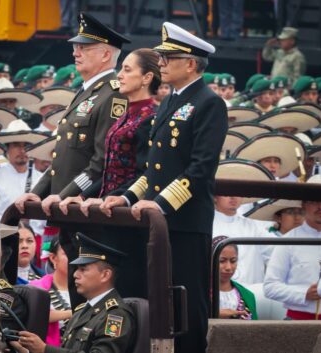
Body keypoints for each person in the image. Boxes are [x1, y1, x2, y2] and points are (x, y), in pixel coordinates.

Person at [99, 22, 228, 353]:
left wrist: (162, 204)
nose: (162, 64)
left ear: (190, 63)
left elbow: (199, 170)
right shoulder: (170, 101)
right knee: (156, 298)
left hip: (185, 221)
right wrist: (127, 196)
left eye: (169, 57)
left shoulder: (208, 103)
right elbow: (154, 169)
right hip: (159, 219)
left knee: (187, 303)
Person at [15, 11, 130, 215]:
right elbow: (64, 157)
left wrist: (66, 195)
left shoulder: (113, 94)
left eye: (84, 48)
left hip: (86, 208)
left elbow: (102, 161)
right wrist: (37, 192)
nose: (75, 53)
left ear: (105, 54)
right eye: (76, 47)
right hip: (66, 206)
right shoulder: (88, 91)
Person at [58, 48, 159, 209]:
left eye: (127, 70)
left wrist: (114, 198)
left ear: (146, 78)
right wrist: (83, 196)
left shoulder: (151, 117)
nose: (119, 75)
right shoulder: (127, 115)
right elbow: (109, 172)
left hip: (128, 210)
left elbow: (144, 175)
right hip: (109, 207)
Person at [10, 232, 135, 353]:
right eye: (76, 269)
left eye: (83, 269)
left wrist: (44, 349)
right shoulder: (82, 310)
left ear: (105, 275)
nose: (75, 274)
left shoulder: (116, 315)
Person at [264, 175, 321, 320]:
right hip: (297, 321)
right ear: (304, 204)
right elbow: (270, 287)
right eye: (314, 201)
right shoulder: (288, 240)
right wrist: (304, 294)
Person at [0, 120, 47, 220]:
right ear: (7, 149)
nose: (22, 150)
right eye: (16, 145)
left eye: (26, 145)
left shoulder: (40, 178)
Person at [213, 195, 273, 285]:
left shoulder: (254, 226)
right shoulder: (206, 226)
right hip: (217, 294)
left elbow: (278, 252)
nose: (233, 197)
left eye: (237, 192)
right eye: (226, 193)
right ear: (215, 197)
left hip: (252, 294)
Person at [29, 237, 72, 347]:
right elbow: (37, 314)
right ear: (53, 258)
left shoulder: (88, 288)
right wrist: (72, 313)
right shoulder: (37, 287)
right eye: (67, 253)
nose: (73, 258)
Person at [213, 236, 258, 320]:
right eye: (222, 261)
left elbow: (256, 329)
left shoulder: (248, 296)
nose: (228, 267)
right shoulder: (199, 294)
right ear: (210, 260)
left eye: (233, 261)